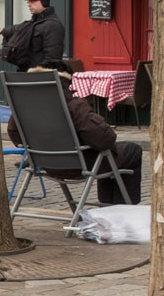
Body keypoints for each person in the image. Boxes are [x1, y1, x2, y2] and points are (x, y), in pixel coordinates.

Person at [58, 72, 142, 204]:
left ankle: (108, 206)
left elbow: (15, 134)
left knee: (110, 150)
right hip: (78, 164)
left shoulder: (27, 106)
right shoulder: (74, 106)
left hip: (46, 164)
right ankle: (123, 209)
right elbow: (105, 139)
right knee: (130, 150)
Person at [0, 0, 65, 72]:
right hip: (25, 74)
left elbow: (52, 58)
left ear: (44, 2)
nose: (29, 4)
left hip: (39, 78)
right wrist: (0, 32)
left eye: (33, 1)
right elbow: (15, 29)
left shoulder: (53, 25)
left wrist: (38, 73)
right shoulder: (31, 24)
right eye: (28, 2)